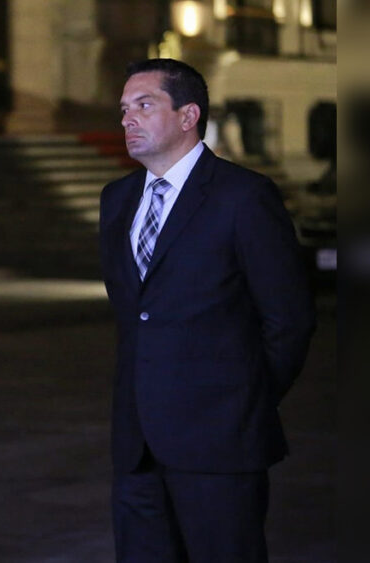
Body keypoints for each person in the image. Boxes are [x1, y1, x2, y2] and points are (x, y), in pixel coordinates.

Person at [98, 58, 316, 562]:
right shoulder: (116, 199)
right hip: (136, 445)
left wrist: (243, 398)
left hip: (221, 441)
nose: (128, 119)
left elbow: (290, 319)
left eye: (144, 105)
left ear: (188, 114)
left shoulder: (244, 196)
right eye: (124, 109)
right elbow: (139, 314)